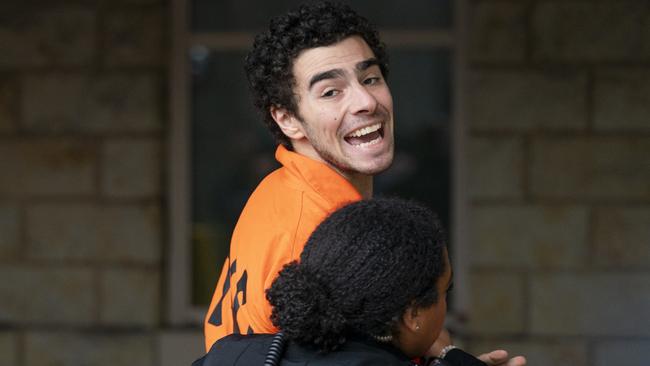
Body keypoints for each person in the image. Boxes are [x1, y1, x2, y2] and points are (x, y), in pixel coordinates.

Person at [203, 2, 525, 365]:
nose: (366, 101)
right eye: (330, 92)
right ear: (288, 119)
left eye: (370, 78)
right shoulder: (322, 234)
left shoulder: (277, 188)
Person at [195, 198, 492, 365]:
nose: (444, 305)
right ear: (413, 314)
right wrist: (452, 357)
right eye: (444, 292)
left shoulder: (230, 353)